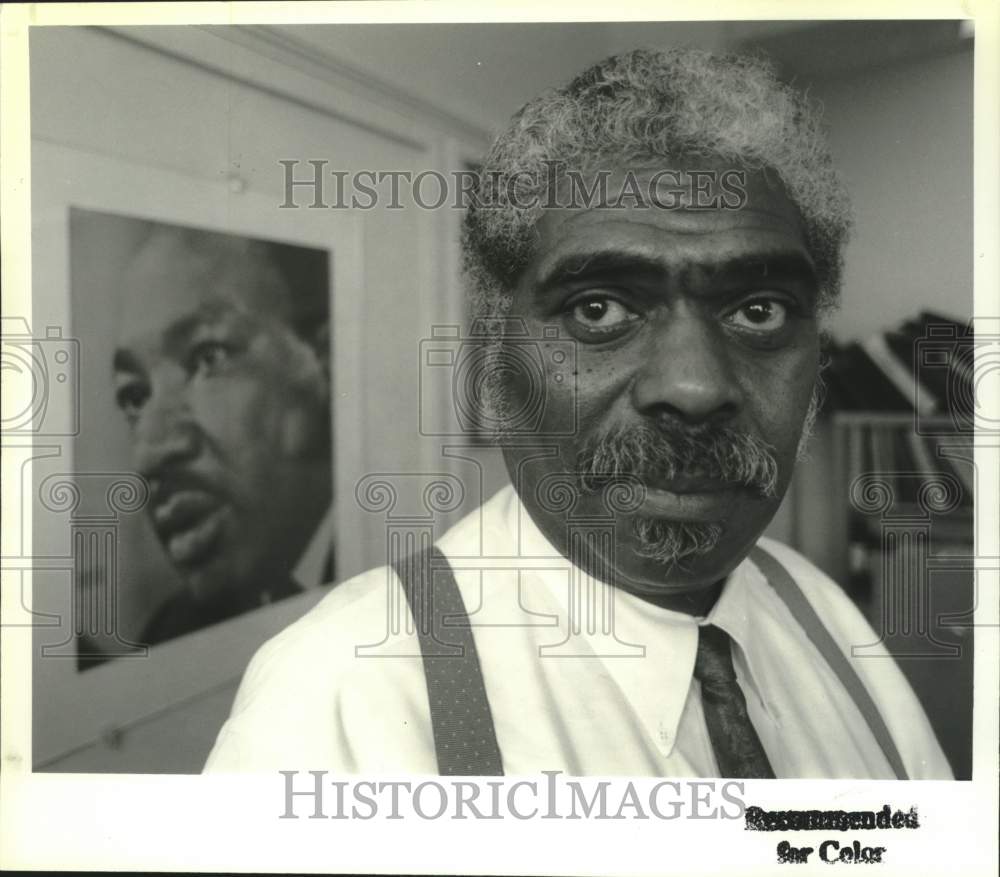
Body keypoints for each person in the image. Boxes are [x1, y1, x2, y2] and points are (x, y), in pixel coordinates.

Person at [204, 48, 951, 778]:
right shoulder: (338, 706)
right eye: (599, 308)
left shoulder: (822, 611)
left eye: (758, 310)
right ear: (496, 356)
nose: (693, 387)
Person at [112, 225, 334, 644]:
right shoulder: (167, 636)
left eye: (207, 356)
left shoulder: (397, 577)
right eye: (135, 396)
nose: (149, 453)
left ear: (322, 361)